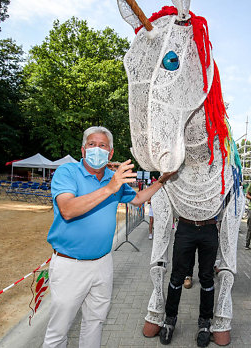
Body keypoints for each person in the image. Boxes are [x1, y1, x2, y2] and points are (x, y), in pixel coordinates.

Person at [43, 126, 175, 348]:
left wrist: (161, 181)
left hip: (103, 263)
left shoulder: (112, 180)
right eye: (92, 145)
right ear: (83, 150)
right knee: (59, 330)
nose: (97, 149)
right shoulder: (68, 172)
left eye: (102, 146)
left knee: (95, 322)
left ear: (110, 153)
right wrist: (110, 188)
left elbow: (139, 198)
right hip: (70, 264)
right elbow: (67, 209)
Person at [159, 217, 218, 347]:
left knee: (207, 278)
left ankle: (205, 321)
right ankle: (170, 318)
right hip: (186, 226)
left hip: (209, 227)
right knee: (176, 277)